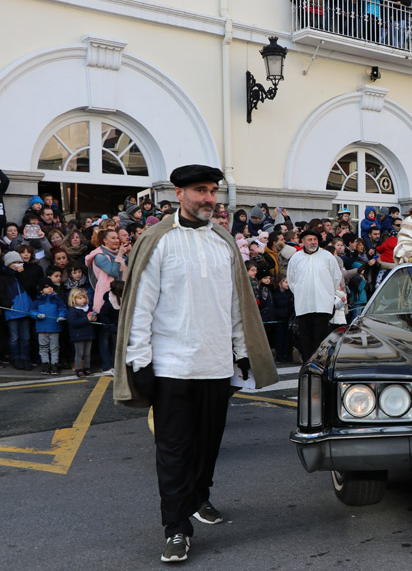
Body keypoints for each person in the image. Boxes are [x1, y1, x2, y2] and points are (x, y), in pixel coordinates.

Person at [114, 165, 277, 564]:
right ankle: (176, 528)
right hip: (171, 368)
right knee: (173, 450)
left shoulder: (223, 242)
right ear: (179, 193)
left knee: (208, 446)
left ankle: (199, 496)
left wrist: (241, 352)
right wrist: (139, 361)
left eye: (213, 192)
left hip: (217, 366)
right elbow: (141, 307)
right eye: (201, 191)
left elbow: (238, 306)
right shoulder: (158, 240)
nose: (209, 199)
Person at [286, 228, 343, 362]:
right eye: (310, 240)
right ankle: (308, 366)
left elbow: (336, 277)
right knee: (305, 338)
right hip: (303, 305)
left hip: (323, 305)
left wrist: (327, 293)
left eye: (315, 240)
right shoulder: (296, 258)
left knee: (321, 338)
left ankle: (321, 365)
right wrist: (302, 293)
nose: (313, 242)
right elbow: (291, 280)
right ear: (303, 241)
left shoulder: (327, 257)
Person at [0, 251, 33, 370]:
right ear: (8, 263)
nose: (17, 264)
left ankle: (25, 359)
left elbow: (29, 286)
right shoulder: (3, 278)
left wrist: (21, 274)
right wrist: (9, 305)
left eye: (19, 262)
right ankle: (16, 359)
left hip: (24, 311)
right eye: (14, 262)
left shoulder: (21, 275)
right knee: (14, 337)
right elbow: (1, 294)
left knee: (26, 337)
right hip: (12, 311)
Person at [67, 287, 96, 378]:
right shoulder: (72, 311)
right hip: (78, 335)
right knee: (79, 353)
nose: (83, 300)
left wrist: (94, 318)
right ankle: (79, 369)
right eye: (80, 298)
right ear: (73, 299)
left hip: (89, 334)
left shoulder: (89, 308)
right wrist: (86, 319)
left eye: (84, 297)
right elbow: (74, 322)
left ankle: (87, 368)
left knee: (88, 353)